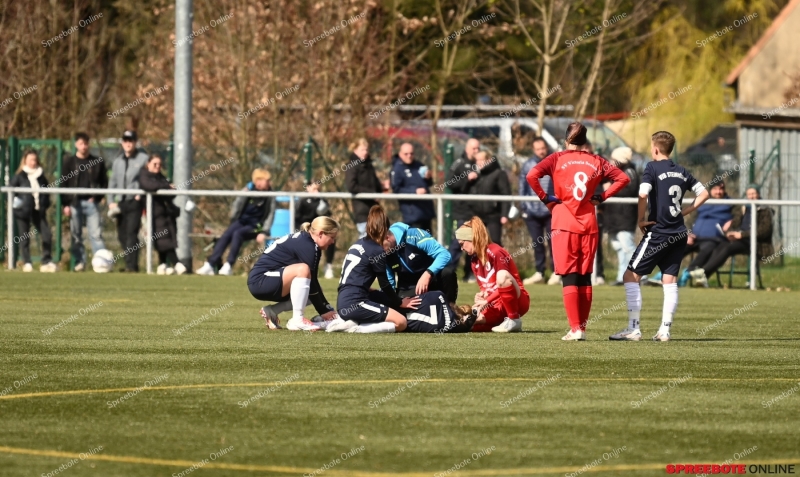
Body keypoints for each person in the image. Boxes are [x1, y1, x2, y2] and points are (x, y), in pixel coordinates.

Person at [527, 122, 630, 341]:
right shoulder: (596, 160)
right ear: (585, 142)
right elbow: (623, 178)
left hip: (564, 221)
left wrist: (546, 199)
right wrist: (601, 197)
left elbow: (531, 176)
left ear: (566, 140)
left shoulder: (556, 158)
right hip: (588, 223)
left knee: (569, 275)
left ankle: (575, 329)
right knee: (585, 276)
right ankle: (581, 328)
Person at [610, 131, 709, 342]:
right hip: (679, 233)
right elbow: (704, 193)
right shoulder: (682, 171)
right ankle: (664, 331)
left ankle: (633, 329)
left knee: (630, 277)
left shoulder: (651, 167)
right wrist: (686, 211)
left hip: (659, 232)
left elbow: (643, 193)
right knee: (669, 280)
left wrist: (640, 219)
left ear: (655, 149)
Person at [326, 206, 421, 333]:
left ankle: (348, 321)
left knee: (381, 297)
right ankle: (356, 328)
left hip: (344, 299)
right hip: (355, 303)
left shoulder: (358, 243)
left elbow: (353, 278)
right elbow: (385, 284)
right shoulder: (377, 250)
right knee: (401, 322)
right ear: (386, 229)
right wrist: (400, 302)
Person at [248, 217, 339, 331]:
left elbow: (313, 282)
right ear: (321, 234)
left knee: (309, 289)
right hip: (260, 281)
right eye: (332, 237)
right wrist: (324, 311)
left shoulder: (310, 242)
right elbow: (311, 280)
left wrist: (327, 309)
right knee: (303, 270)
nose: (333, 242)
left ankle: (272, 311)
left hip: (268, 280)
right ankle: (297, 320)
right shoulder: (307, 244)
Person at [455, 217, 529, 332]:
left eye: (462, 243)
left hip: (517, 300)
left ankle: (514, 319)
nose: (461, 248)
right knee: (467, 322)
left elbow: (505, 280)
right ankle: (501, 323)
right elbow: (486, 288)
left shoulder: (495, 251)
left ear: (471, 238)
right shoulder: (474, 262)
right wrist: (482, 296)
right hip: (496, 303)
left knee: (502, 276)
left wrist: (487, 300)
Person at [688, 185, 773, 286]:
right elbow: (735, 223)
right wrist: (729, 232)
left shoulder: (765, 210)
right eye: (749, 194)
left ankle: (703, 273)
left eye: (754, 193)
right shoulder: (744, 208)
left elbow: (764, 231)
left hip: (756, 243)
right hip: (740, 240)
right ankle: (702, 275)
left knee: (728, 247)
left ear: (758, 194)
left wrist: (741, 235)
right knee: (721, 245)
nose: (752, 196)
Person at [197, 169, 276, 276]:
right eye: (266, 180)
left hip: (256, 226)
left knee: (237, 234)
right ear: (258, 181)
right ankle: (210, 264)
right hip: (242, 221)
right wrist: (234, 219)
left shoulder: (271, 195)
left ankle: (229, 265)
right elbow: (237, 204)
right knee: (226, 235)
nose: (268, 183)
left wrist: (264, 232)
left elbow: (270, 215)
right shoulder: (248, 189)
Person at [62, 132, 108, 272]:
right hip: (75, 203)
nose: (84, 147)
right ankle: (79, 262)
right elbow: (63, 184)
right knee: (76, 235)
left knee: (96, 234)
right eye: (81, 144)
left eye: (86, 143)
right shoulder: (69, 162)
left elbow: (104, 182)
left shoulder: (97, 162)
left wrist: (98, 198)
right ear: (76, 144)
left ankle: (100, 263)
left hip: (91, 203)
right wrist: (66, 204)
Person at [383, 221, 457, 304]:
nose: (379, 251)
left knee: (447, 273)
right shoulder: (384, 254)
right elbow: (389, 283)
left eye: (380, 245)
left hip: (431, 279)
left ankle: (451, 310)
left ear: (387, 237)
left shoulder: (414, 235)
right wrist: (395, 303)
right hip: (408, 288)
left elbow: (445, 255)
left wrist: (428, 273)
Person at [108, 130, 148, 272]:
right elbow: (113, 182)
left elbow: (146, 178)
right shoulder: (118, 161)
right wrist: (110, 201)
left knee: (131, 233)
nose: (128, 143)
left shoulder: (143, 159)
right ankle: (129, 263)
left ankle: (132, 266)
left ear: (135, 142)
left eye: (130, 140)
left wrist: (140, 194)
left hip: (134, 202)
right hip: (121, 203)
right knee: (121, 235)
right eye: (125, 140)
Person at [138, 154, 186, 275]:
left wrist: (168, 188)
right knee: (162, 238)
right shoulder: (144, 175)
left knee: (167, 237)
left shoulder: (160, 177)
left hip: (166, 213)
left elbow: (172, 192)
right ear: (148, 164)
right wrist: (166, 187)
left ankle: (162, 264)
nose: (157, 167)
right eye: (155, 164)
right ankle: (177, 263)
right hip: (153, 213)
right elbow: (149, 186)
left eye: (159, 164)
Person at [10, 150, 56, 272]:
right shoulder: (19, 176)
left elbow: (46, 192)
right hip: (23, 211)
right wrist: (18, 204)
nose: (33, 162)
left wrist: (45, 203)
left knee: (47, 235)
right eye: (31, 160)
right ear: (25, 161)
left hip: (38, 211)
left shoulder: (41, 176)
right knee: (24, 237)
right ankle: (27, 262)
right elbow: (11, 193)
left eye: (35, 160)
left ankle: (46, 261)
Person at [520, 137, 556, 285]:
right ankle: (540, 272)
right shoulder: (528, 165)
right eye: (538, 149)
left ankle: (556, 272)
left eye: (543, 148)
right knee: (537, 243)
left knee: (554, 243)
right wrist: (524, 207)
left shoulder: (554, 163)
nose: (541, 151)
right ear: (533, 150)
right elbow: (523, 188)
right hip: (532, 212)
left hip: (551, 211)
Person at [681, 181, 732, 284]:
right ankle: (663, 274)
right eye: (715, 189)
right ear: (710, 190)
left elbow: (738, 217)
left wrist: (732, 223)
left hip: (713, 239)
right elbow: (691, 220)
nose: (718, 192)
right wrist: (688, 233)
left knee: (707, 248)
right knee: (677, 247)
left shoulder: (731, 204)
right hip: (694, 238)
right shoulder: (702, 202)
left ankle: (688, 273)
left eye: (721, 189)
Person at [602, 147, 639, 286]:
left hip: (625, 217)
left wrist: (609, 189)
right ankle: (622, 276)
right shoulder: (615, 173)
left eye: (614, 159)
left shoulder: (630, 172)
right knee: (618, 246)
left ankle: (640, 275)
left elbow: (628, 191)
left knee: (628, 246)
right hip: (614, 217)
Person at [446, 138, 480, 282]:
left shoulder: (479, 164)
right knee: (459, 242)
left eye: (478, 148)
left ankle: (470, 273)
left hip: (477, 210)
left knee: (475, 244)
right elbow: (449, 183)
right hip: (462, 211)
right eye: (474, 149)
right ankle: (447, 271)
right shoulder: (459, 164)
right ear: (467, 149)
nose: (476, 151)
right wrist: (466, 179)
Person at [345, 138, 386, 238]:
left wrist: (382, 187)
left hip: (374, 208)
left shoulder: (369, 166)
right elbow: (352, 186)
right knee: (366, 237)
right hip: (362, 209)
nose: (365, 152)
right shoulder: (351, 166)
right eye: (362, 150)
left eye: (367, 149)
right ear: (355, 150)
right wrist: (372, 194)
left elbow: (374, 184)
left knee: (377, 237)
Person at [391, 142, 435, 232]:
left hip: (425, 212)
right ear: (400, 154)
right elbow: (396, 189)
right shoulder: (397, 169)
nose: (409, 156)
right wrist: (414, 191)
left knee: (428, 243)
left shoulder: (419, 165)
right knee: (414, 242)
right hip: (412, 214)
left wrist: (428, 177)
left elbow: (429, 183)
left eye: (411, 153)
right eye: (406, 154)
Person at [296, 180, 335, 279]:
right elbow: (296, 217)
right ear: (308, 188)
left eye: (318, 189)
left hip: (319, 230)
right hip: (306, 229)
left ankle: (328, 266)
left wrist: (322, 204)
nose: (316, 191)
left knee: (331, 240)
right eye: (314, 189)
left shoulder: (321, 199)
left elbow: (328, 217)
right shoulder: (302, 200)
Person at [470, 151, 511, 245]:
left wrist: (504, 214)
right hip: (478, 215)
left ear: (488, 160)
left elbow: (505, 193)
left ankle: (498, 260)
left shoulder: (499, 173)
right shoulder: (477, 175)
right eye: (477, 160)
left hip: (494, 214)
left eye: (481, 160)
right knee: (476, 243)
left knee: (495, 243)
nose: (479, 162)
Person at [403, 291, 477, 333]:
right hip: (401, 321)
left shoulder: (439, 294)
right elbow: (467, 324)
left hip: (399, 307)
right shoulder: (454, 326)